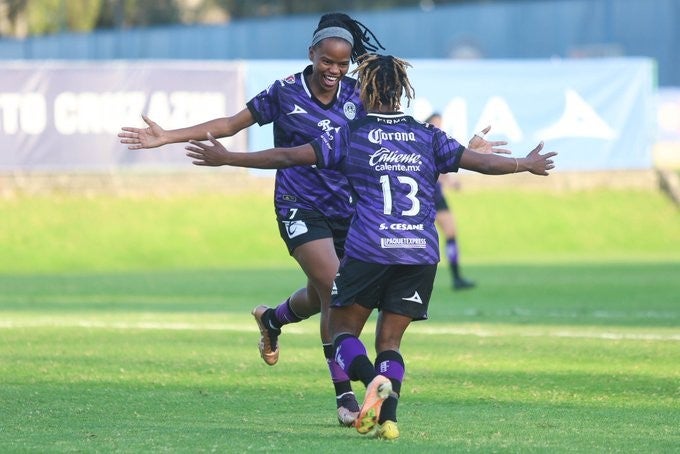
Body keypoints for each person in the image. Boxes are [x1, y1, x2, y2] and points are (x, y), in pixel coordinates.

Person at [183, 53, 557, 439]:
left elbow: (289, 156)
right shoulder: (427, 135)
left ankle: (367, 385)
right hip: (420, 254)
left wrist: (229, 158)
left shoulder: (351, 134)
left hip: (370, 251)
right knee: (389, 342)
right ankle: (389, 420)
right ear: (401, 93)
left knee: (343, 332)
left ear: (366, 89)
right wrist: (525, 164)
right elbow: (479, 163)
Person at [118, 13, 385, 426]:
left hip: (349, 211)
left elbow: (385, 139)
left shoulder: (357, 95)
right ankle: (345, 397)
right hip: (299, 206)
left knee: (322, 295)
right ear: (312, 53)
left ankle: (272, 318)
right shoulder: (284, 92)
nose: (334, 70)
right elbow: (229, 124)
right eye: (327, 61)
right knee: (336, 290)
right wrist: (167, 136)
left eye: (342, 63)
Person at [424, 113, 510, 290]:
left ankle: (456, 277)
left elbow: (443, 169)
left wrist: (450, 182)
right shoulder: (426, 139)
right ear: (429, 123)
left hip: (437, 195)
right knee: (423, 236)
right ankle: (415, 275)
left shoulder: (438, 141)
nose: (439, 126)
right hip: (426, 194)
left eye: (441, 123)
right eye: (436, 123)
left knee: (450, 232)